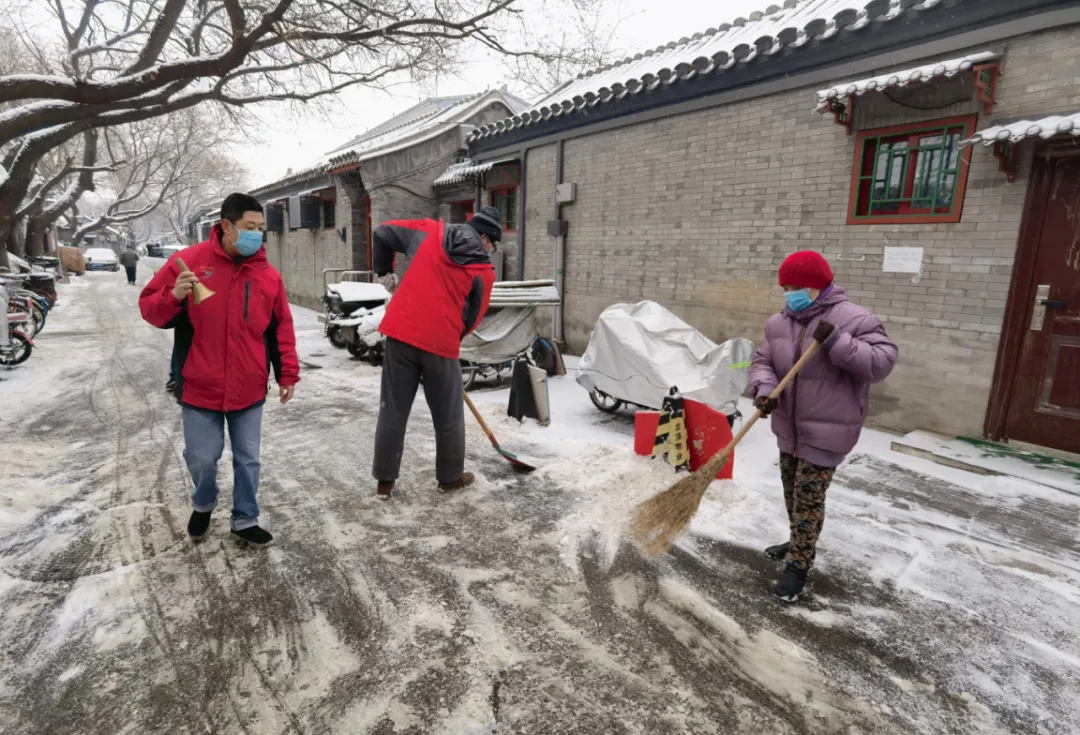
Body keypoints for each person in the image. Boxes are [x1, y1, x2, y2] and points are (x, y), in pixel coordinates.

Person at [139, 193, 299, 547]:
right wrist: (174, 297)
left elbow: (280, 329)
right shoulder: (189, 262)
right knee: (202, 457)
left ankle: (245, 518)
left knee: (248, 460)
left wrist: (287, 374)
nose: (257, 234)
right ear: (227, 226)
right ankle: (203, 502)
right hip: (200, 384)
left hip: (249, 385)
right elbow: (151, 309)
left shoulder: (267, 276)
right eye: (249, 227)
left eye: (261, 228)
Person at [748, 250, 898, 602]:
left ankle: (799, 565)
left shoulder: (855, 319)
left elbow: (880, 363)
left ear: (818, 286)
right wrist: (765, 391)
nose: (790, 293)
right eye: (785, 287)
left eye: (797, 286)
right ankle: (799, 540)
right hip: (790, 427)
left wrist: (837, 341)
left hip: (829, 430)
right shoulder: (779, 322)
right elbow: (762, 360)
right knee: (792, 493)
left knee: (808, 500)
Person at [371, 206, 499, 499]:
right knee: (449, 415)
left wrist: (384, 273)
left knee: (392, 410)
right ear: (482, 236)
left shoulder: (428, 231)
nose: (490, 249)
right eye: (491, 242)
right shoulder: (484, 272)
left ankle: (384, 483)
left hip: (400, 333)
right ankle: (450, 478)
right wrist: (449, 335)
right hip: (441, 343)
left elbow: (381, 233)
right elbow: (474, 317)